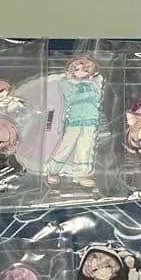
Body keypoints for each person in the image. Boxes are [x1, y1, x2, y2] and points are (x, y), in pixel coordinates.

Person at [45, 57, 105, 188]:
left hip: (91, 118)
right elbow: (72, 98)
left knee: (85, 147)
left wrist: (91, 87)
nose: (81, 72)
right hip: (74, 119)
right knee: (67, 145)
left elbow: (98, 97)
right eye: (77, 69)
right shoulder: (67, 83)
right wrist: (88, 94)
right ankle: (53, 170)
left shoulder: (92, 83)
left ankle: (80, 175)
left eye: (85, 70)